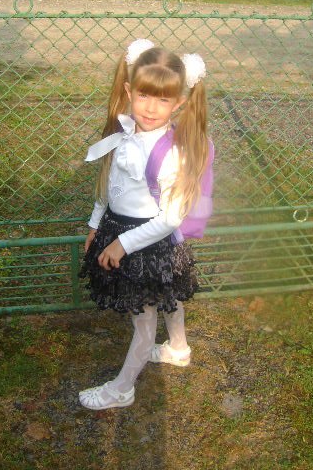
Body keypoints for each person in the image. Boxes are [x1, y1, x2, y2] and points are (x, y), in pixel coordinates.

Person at [78, 39, 212, 410]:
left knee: (143, 320)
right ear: (128, 91)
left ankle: (122, 389)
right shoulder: (125, 133)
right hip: (117, 228)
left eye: (163, 100)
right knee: (167, 296)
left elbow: (170, 218)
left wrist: (123, 244)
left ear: (179, 103)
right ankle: (178, 348)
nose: (151, 108)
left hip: (147, 242)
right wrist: (95, 224)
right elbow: (110, 184)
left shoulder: (171, 153)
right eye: (143, 95)